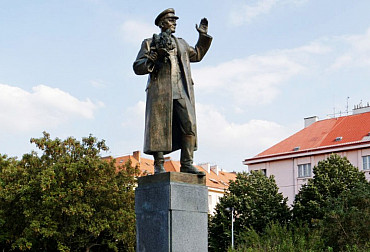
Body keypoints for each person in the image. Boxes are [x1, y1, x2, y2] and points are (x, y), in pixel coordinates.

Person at [133, 8, 212, 175]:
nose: (175, 22)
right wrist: (153, 57)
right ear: (162, 23)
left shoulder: (182, 43)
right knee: (159, 127)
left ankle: (187, 163)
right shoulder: (149, 42)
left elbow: (197, 54)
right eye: (171, 20)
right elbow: (138, 66)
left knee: (189, 125)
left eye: (175, 20)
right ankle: (159, 164)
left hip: (182, 90)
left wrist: (202, 37)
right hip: (161, 91)